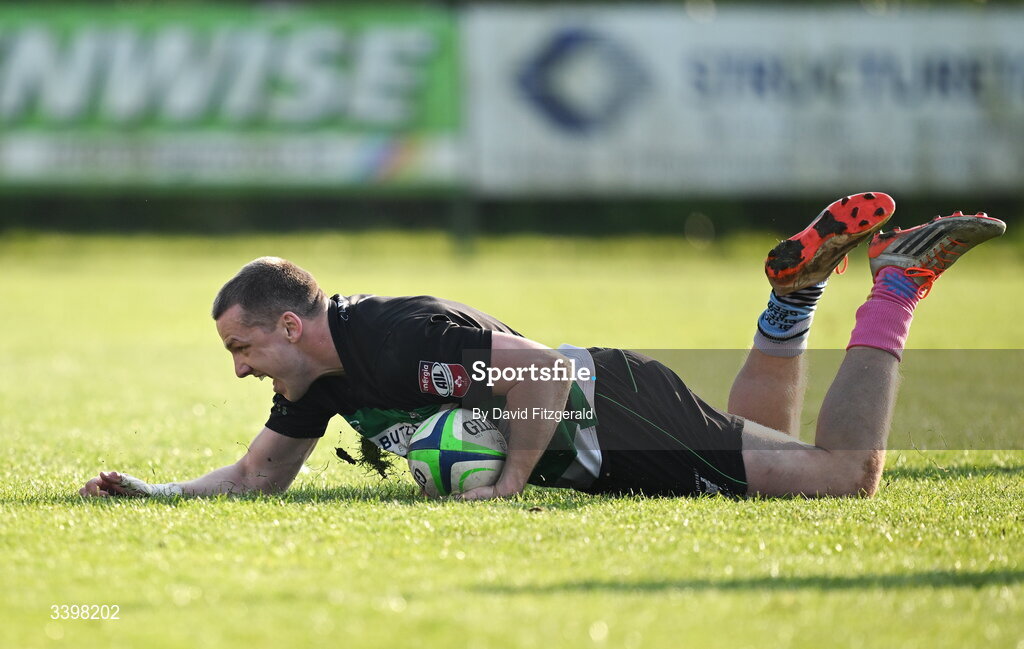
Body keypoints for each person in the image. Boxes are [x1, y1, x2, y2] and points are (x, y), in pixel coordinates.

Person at [79, 192, 1006, 501]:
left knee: (844, 477)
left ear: (287, 324)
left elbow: (540, 371)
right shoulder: (318, 379)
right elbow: (253, 477)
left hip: (619, 416)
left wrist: (510, 480)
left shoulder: (398, 336)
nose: (238, 367)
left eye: (242, 346)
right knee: (766, 459)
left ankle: (897, 286)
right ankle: (795, 297)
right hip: (614, 429)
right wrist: (148, 491)